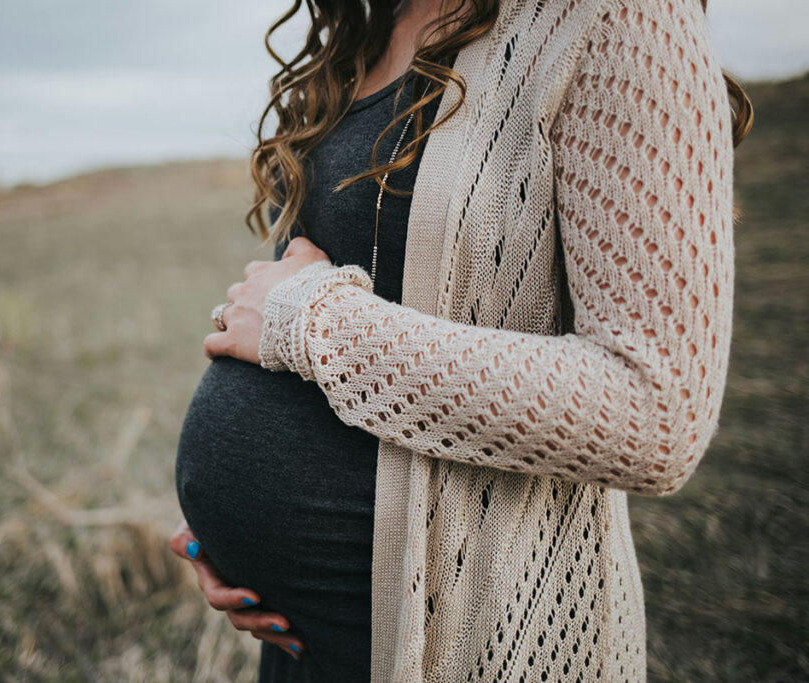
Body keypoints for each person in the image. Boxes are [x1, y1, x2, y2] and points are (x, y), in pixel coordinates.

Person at [171, 0, 751, 680]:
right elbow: (300, 285)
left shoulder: (618, 16)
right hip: (303, 642)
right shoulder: (367, 24)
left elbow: (659, 411)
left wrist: (314, 325)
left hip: (473, 639)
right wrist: (230, 528)